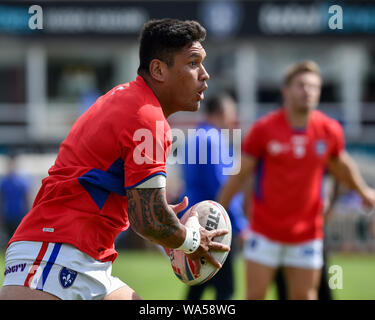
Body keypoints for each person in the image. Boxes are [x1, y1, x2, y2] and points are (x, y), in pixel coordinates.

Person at [0, 18, 230, 300]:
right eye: (193, 63)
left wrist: (166, 226)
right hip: (55, 252)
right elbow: (149, 221)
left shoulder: (130, 101)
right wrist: (191, 240)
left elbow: (144, 214)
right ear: (158, 69)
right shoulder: (147, 117)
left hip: (83, 256)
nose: (205, 74)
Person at [217, 60, 375, 300]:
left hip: (307, 234)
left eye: (314, 87)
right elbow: (240, 174)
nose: (308, 91)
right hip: (264, 232)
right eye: (301, 85)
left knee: (304, 297)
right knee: (254, 296)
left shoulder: (328, 130)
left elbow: (341, 165)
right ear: (286, 91)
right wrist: (219, 210)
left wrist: (364, 192)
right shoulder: (264, 128)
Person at [181, 93, 248, 300]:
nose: (233, 118)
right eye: (231, 112)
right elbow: (221, 187)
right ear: (222, 112)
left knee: (198, 283)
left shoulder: (194, 137)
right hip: (214, 223)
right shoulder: (214, 139)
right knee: (225, 290)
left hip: (194, 219)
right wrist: (240, 224)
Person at [0, 155, 30, 242]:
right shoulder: (4, 182)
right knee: (8, 238)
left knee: (18, 238)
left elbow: (27, 198)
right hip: (8, 215)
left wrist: (27, 214)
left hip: (19, 214)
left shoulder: (21, 181)